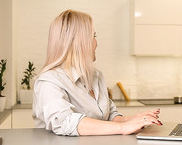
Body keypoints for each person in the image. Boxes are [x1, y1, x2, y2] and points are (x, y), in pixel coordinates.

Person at [33, 9, 162, 136]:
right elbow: (65, 122)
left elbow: (109, 116)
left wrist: (133, 120)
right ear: (79, 42)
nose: (96, 43)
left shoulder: (96, 76)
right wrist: (124, 127)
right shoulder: (49, 81)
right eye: (93, 36)